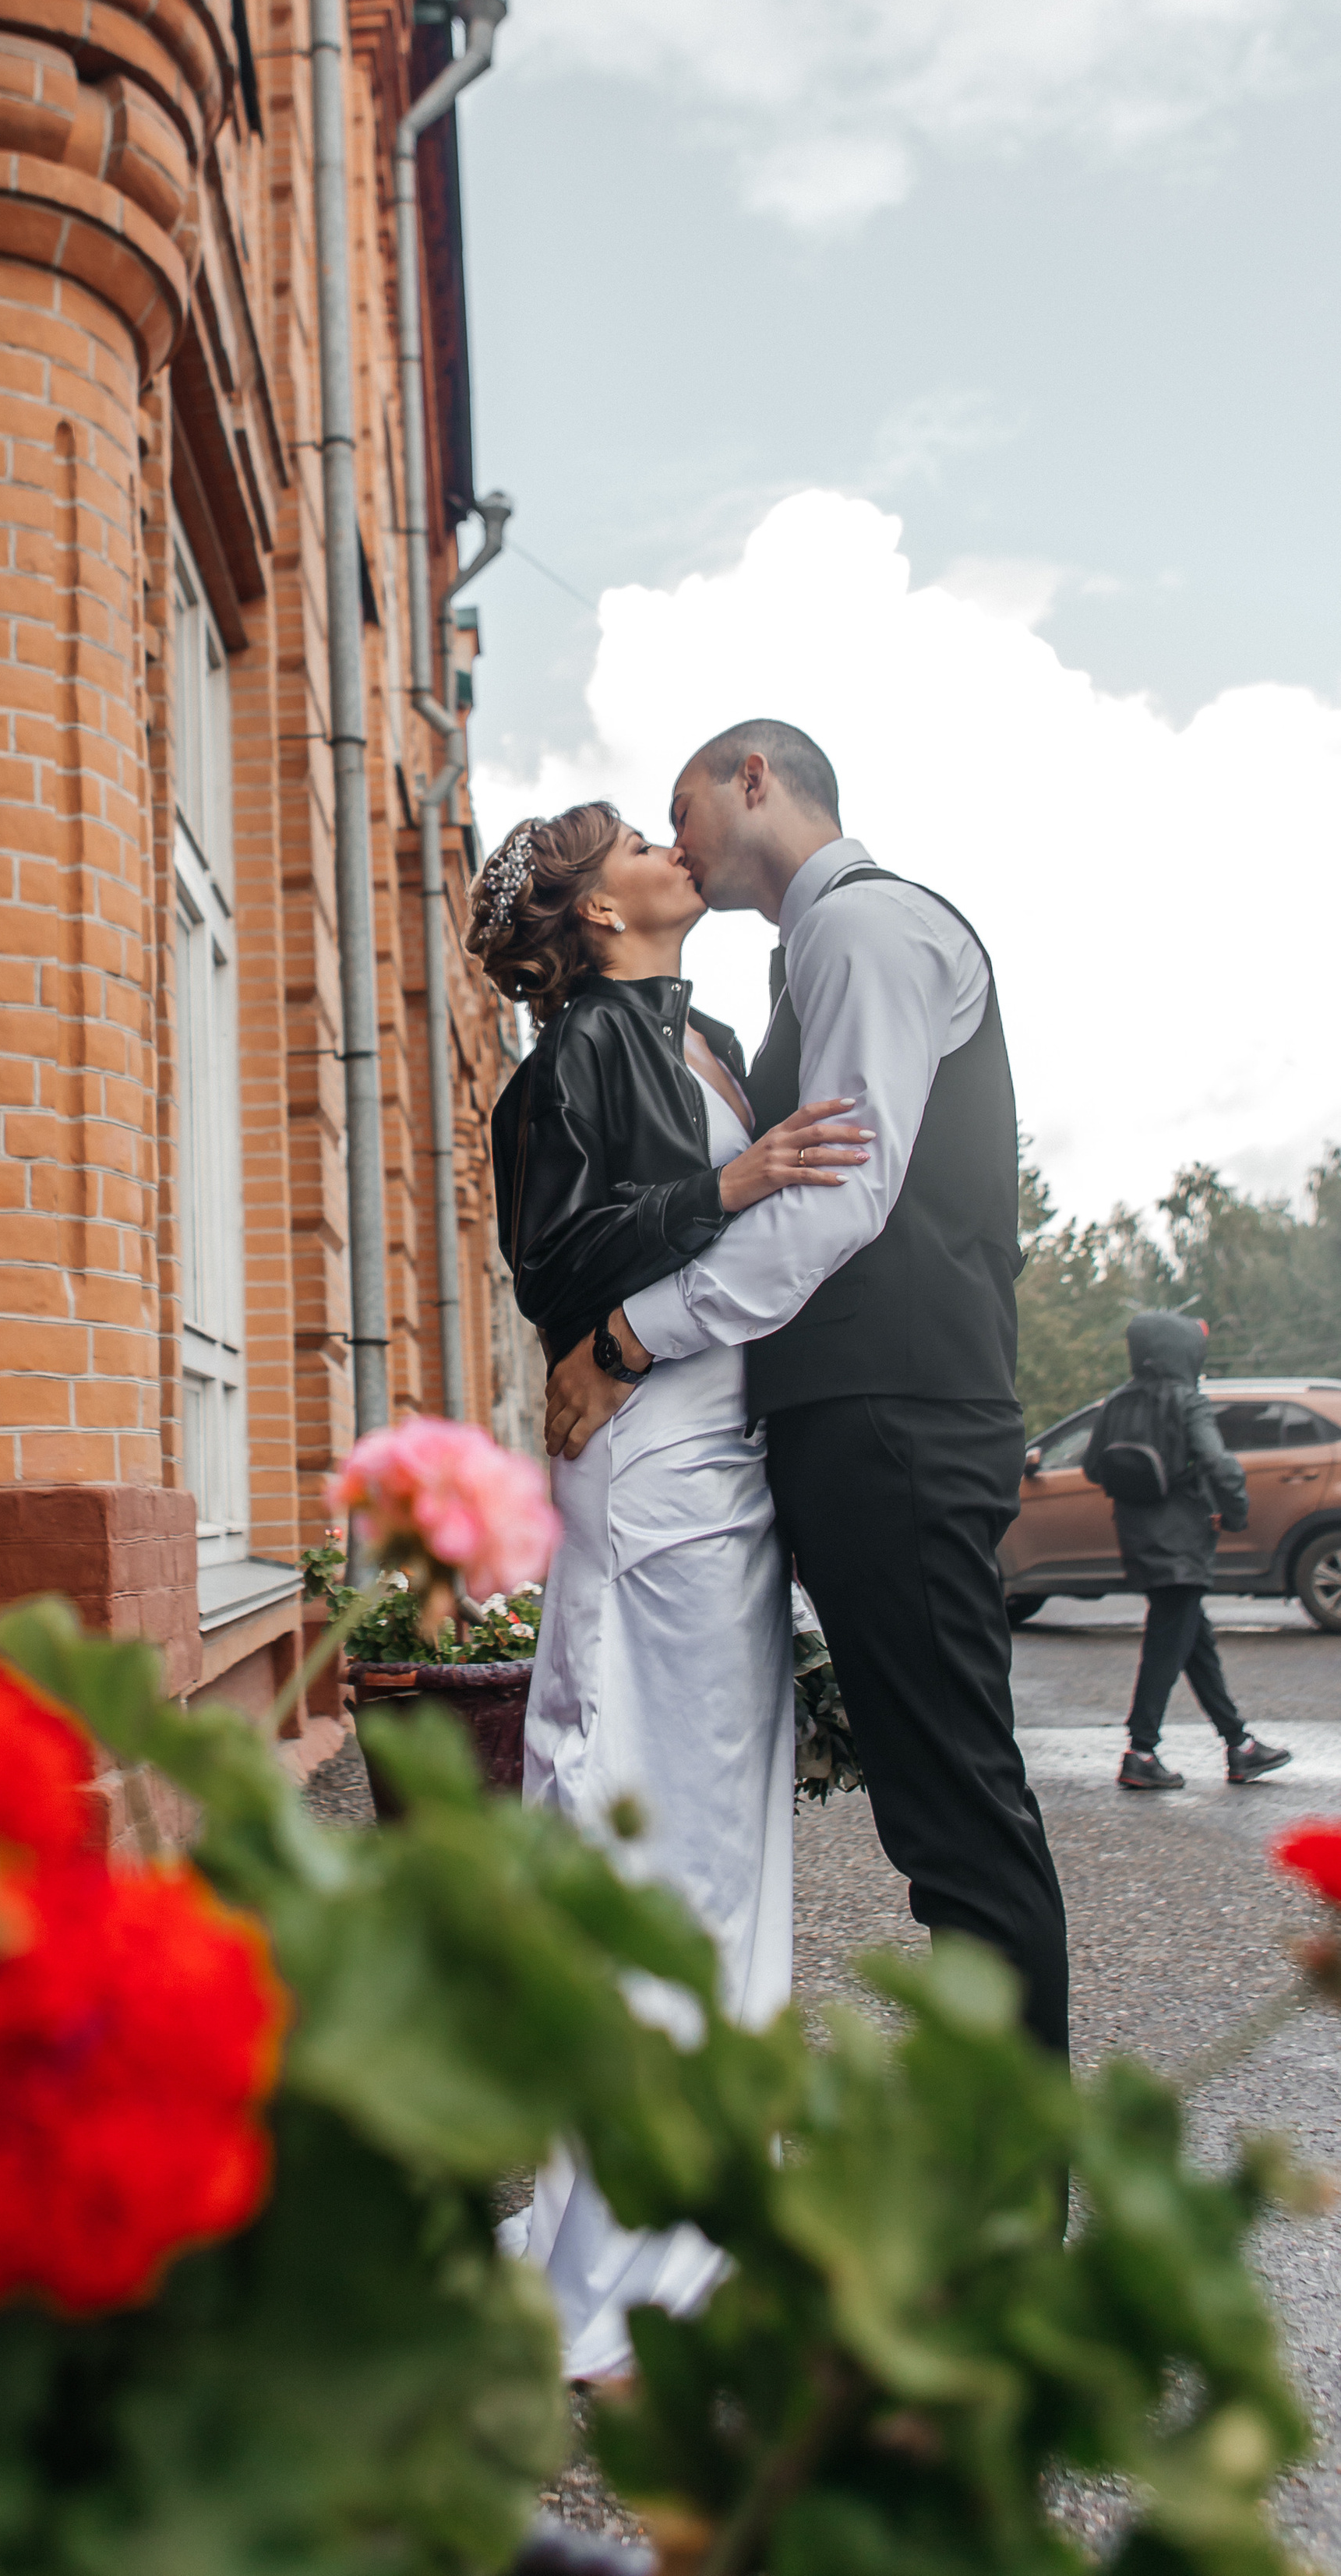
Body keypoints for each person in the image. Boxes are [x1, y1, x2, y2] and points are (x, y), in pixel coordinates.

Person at [544, 720, 1073, 2058]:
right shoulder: (799, 968)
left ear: (755, 781)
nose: (677, 843)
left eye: (682, 810)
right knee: (936, 1814)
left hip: (896, 1417)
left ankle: (1015, 2173)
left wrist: (629, 1337)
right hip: (854, 1420)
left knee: (957, 1816)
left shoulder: (864, 929)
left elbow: (839, 1205)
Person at [468, 799, 869, 2380]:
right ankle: (630, 2265)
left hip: (724, 1470)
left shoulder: (703, 1033)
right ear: (593, 910)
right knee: (652, 1844)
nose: (669, 843)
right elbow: (554, 1269)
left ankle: (711, 2216)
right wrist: (733, 1183)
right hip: (651, 1476)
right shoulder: (567, 1062)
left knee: (723, 1848)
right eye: (637, 836)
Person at [1085, 1311, 1293, 1791]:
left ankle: (1239, 1745)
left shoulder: (1117, 1401)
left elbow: (1095, 1468)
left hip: (1137, 1537)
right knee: (1166, 1645)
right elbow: (1219, 1464)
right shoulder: (1187, 1400)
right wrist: (1234, 1514)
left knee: (1194, 1642)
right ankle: (1141, 1752)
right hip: (1183, 1540)